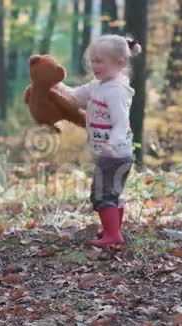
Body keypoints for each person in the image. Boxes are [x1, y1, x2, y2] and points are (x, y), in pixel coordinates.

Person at [60, 34, 141, 247]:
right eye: (92, 60)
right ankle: (111, 231)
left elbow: (122, 123)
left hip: (116, 154)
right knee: (109, 193)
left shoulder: (115, 91)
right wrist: (53, 85)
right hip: (108, 154)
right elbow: (74, 96)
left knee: (102, 194)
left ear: (120, 63)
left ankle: (113, 235)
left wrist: (111, 145)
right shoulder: (98, 85)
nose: (94, 65)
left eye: (100, 60)